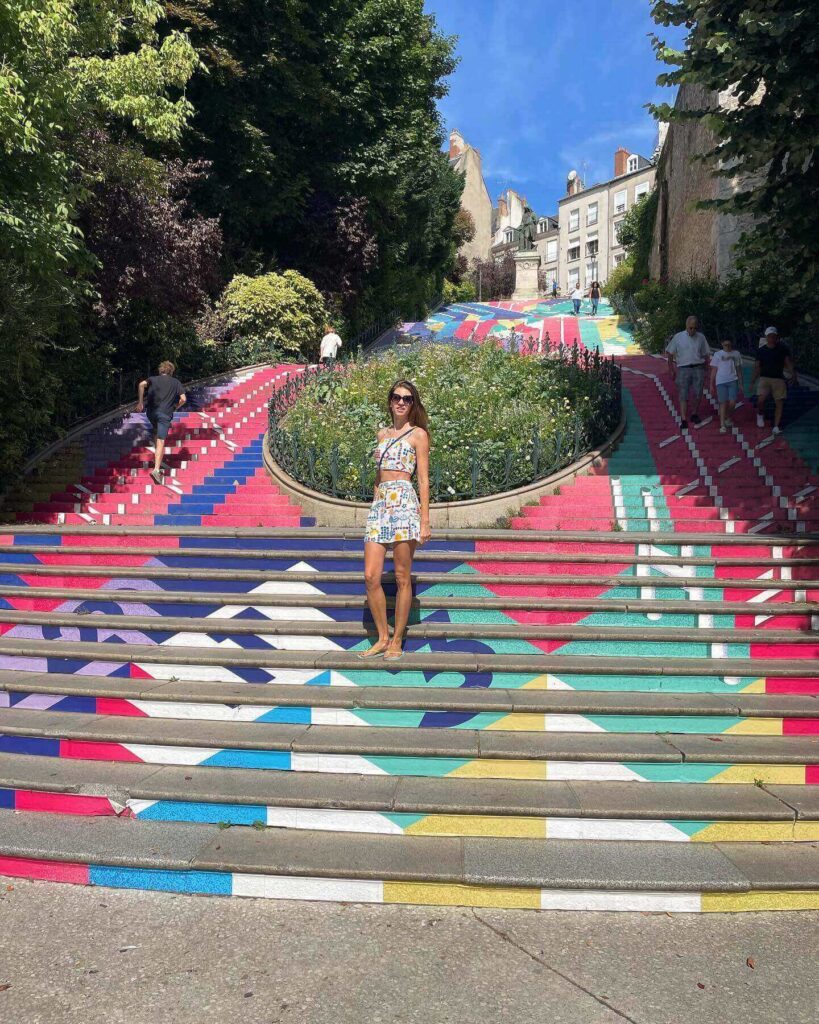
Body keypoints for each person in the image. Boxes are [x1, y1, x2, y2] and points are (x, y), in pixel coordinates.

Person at [360, 381, 431, 661]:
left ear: (413, 404)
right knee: (370, 575)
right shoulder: (381, 434)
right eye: (397, 397)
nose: (401, 402)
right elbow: (379, 475)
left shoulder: (418, 435)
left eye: (408, 398)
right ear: (390, 401)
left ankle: (397, 639)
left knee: (402, 576)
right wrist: (375, 501)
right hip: (381, 506)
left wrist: (425, 520)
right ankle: (382, 637)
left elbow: (423, 479)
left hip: (403, 502)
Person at [136, 361, 186, 485]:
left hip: (151, 413)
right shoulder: (176, 382)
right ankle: (156, 470)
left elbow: (141, 384)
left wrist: (140, 402)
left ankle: (155, 437)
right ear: (171, 371)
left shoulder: (152, 379)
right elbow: (183, 399)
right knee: (161, 440)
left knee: (156, 430)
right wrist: (175, 407)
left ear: (161, 370)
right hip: (165, 414)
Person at [665, 315, 710, 429]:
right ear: (686, 326)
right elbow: (670, 352)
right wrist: (671, 368)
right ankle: (684, 418)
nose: (693, 330)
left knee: (698, 392)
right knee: (683, 393)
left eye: (695, 328)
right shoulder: (678, 337)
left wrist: (707, 368)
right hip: (683, 368)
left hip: (698, 367)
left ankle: (694, 413)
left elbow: (706, 354)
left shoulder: (701, 337)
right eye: (690, 328)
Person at [751, 326, 798, 434]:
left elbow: (788, 362)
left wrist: (793, 375)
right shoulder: (761, 351)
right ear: (766, 337)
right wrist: (753, 380)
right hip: (764, 378)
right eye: (770, 336)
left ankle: (776, 426)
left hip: (778, 378)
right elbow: (758, 366)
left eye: (774, 336)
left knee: (779, 402)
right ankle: (760, 414)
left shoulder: (782, 349)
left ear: (776, 337)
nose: (772, 338)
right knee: (761, 399)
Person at [710, 337, 744, 433]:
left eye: (729, 345)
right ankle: (722, 425)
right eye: (726, 345)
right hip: (721, 381)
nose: (728, 347)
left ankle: (727, 416)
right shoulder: (717, 354)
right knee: (723, 402)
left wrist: (741, 383)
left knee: (733, 402)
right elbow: (714, 370)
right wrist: (711, 384)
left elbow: (738, 369)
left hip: (733, 380)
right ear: (722, 344)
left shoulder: (736, 354)